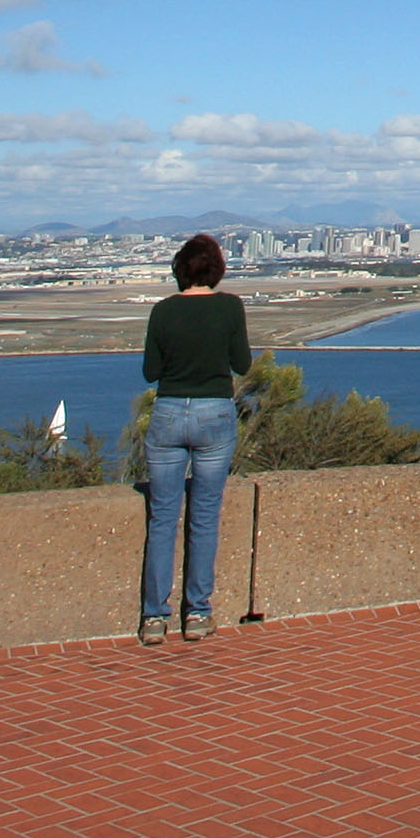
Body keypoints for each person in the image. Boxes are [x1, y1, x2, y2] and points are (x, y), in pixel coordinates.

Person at [138, 231, 251, 646]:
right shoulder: (230, 308)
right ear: (218, 270)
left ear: (180, 271)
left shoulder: (163, 312)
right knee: (204, 516)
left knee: (163, 518)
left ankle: (154, 617)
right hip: (214, 414)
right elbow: (242, 364)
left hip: (168, 413)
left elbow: (151, 371)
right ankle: (198, 612)